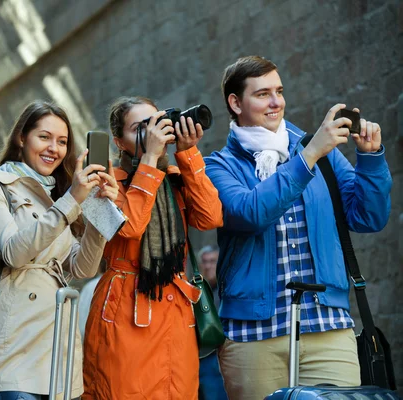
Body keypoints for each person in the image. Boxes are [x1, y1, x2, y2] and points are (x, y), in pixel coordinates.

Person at [204, 55, 392, 399]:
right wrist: (308, 156)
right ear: (235, 102)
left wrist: (371, 158)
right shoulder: (218, 166)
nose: (276, 102)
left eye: (279, 91)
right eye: (262, 94)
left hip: (327, 327)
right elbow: (250, 212)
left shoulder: (322, 151)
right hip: (252, 335)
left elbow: (368, 217)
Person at [0, 100, 119, 400]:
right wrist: (71, 201)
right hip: (15, 347)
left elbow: (83, 268)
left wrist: (98, 205)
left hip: (58, 350)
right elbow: (13, 252)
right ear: (21, 137)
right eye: (44, 137)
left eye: (62, 142)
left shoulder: (58, 196)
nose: (54, 148)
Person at [82, 96, 224, 399]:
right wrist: (149, 160)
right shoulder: (103, 183)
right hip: (126, 307)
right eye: (139, 128)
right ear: (119, 142)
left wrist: (187, 152)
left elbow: (211, 217)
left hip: (175, 311)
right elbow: (130, 226)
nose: (152, 134)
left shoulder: (174, 179)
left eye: (155, 123)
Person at [195, 245, 228, 400]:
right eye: (204, 261)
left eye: (212, 261)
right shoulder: (196, 291)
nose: (208, 266)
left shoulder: (227, 290)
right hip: (198, 354)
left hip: (219, 355)